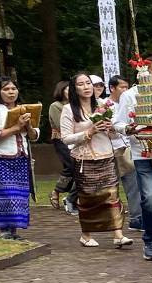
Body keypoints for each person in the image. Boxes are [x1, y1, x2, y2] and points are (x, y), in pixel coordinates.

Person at [113, 52, 152, 261]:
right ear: (143, 71)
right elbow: (117, 123)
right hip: (143, 153)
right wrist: (130, 129)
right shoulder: (130, 95)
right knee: (149, 198)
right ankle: (149, 241)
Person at [60, 72, 130, 249]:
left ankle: (118, 234)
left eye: (89, 83)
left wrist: (110, 128)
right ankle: (86, 235)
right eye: (81, 84)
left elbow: (114, 131)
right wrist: (88, 132)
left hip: (106, 155)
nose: (86, 87)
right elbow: (66, 138)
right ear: (74, 89)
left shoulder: (103, 104)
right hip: (84, 159)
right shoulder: (69, 110)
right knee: (88, 198)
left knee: (112, 195)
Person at [0, 77, 39, 239]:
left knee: (19, 194)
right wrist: (16, 127)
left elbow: (34, 135)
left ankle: (13, 231)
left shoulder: (25, 109)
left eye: (13, 88)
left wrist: (27, 126)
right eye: (6, 89)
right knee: (4, 193)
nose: (11, 92)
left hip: (20, 156)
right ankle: (4, 230)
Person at [108, 76, 142, 231]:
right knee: (114, 186)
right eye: (122, 87)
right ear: (112, 88)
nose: (125, 90)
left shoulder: (129, 101)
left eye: (127, 87)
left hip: (128, 147)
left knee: (133, 183)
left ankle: (137, 217)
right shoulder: (104, 105)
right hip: (113, 148)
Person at [47, 79, 79, 214]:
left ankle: (58, 191)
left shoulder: (75, 104)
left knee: (75, 167)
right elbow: (61, 125)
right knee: (71, 166)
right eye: (67, 89)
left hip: (77, 139)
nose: (70, 91)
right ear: (61, 90)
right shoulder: (56, 106)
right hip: (61, 139)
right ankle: (59, 191)